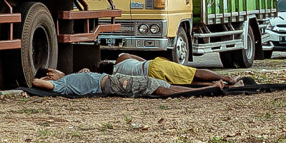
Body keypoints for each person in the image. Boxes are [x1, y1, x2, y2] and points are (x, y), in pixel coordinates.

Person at [31, 68, 223, 98]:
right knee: (156, 88)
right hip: (115, 83)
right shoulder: (61, 84)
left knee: (155, 83)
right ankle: (208, 89)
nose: (57, 70)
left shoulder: (68, 78)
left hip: (114, 81)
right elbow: (36, 83)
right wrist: (42, 80)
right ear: (49, 75)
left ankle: (207, 88)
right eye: (53, 70)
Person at [99, 53, 242, 86]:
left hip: (149, 79)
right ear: (108, 63)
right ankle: (227, 79)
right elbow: (139, 59)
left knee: (185, 83)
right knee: (191, 72)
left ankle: (213, 85)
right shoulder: (121, 58)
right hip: (152, 66)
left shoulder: (114, 79)